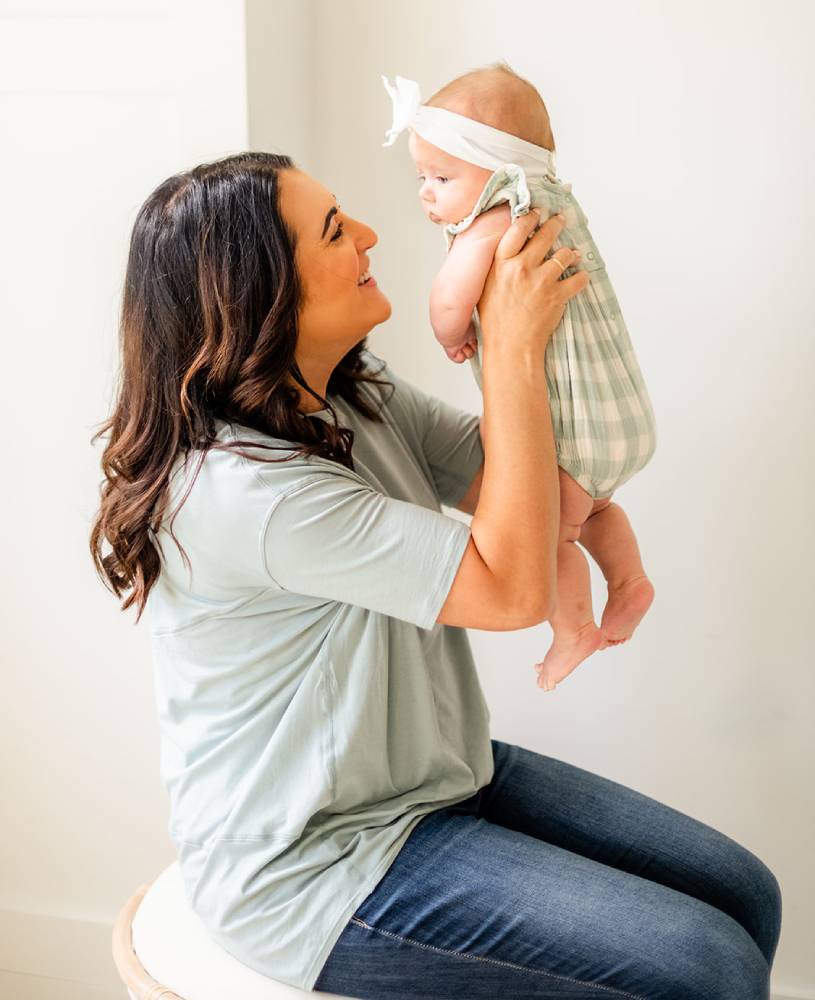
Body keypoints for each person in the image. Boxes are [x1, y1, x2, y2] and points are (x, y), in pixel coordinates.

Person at [89, 151, 781, 998]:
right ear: (261, 292)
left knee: (747, 895)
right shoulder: (245, 491)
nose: (372, 235)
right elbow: (511, 588)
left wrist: (519, 331)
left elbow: (531, 491)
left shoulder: (347, 394)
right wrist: (514, 354)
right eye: (336, 230)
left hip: (432, 776)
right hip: (318, 863)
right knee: (707, 965)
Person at [383, 64, 657, 691]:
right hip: (616, 415)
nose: (426, 193)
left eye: (442, 177)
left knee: (556, 533)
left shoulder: (497, 215)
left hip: (572, 431)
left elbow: (448, 303)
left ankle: (573, 631)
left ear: (499, 169)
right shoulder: (558, 203)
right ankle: (629, 582)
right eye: (423, 178)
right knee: (597, 509)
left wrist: (452, 332)